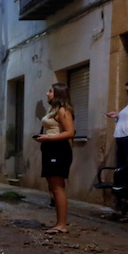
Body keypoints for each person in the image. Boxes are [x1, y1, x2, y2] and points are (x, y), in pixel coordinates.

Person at [32, 83, 76, 234]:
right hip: (50, 149)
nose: (47, 93)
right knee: (53, 187)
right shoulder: (54, 110)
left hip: (58, 150)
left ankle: (61, 225)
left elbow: (70, 132)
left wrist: (49, 138)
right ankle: (58, 223)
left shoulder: (63, 111)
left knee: (58, 188)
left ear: (58, 94)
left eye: (50, 91)